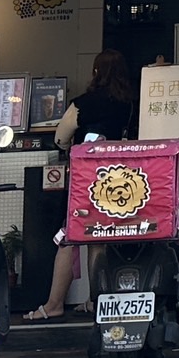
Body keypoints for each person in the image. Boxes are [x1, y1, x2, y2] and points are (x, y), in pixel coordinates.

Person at [25, 50, 136, 321]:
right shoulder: (129, 104)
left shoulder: (83, 103)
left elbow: (61, 137)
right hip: (116, 180)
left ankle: (54, 304)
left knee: (68, 237)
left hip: (84, 179)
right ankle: (96, 300)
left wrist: (69, 147)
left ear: (96, 72)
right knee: (98, 239)